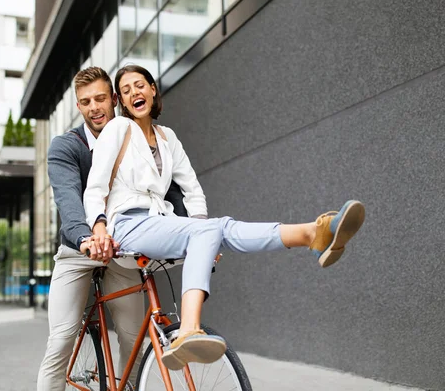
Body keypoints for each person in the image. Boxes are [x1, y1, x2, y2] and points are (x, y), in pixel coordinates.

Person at [83, 64, 366, 371]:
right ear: (122, 103)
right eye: (126, 91)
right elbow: (95, 186)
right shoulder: (117, 130)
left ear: (153, 89)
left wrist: (203, 230)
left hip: (160, 222)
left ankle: (315, 233)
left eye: (140, 85)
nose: (134, 93)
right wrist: (99, 226)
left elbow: (192, 190)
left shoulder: (168, 138)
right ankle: (189, 329)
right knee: (209, 231)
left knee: (221, 228)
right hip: (127, 224)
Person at [37, 66, 187, 391]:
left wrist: (191, 232)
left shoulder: (137, 137)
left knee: (135, 341)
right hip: (79, 250)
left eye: (101, 98)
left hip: (122, 249)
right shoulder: (66, 147)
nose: (94, 107)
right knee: (61, 339)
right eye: (86, 101)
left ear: (114, 99)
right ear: (79, 106)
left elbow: (169, 190)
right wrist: (85, 237)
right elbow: (69, 200)